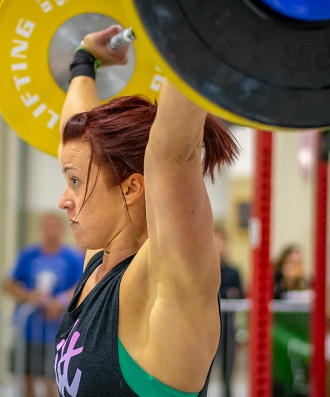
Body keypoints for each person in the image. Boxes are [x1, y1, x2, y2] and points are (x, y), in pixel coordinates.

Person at [53, 25, 239, 397]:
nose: (63, 199)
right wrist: (83, 60)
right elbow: (75, 133)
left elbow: (171, 155)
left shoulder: (170, 280)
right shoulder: (101, 259)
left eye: (74, 182)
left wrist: (191, 21)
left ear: (133, 187)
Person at [4, 212, 84, 397]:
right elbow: (9, 284)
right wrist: (29, 296)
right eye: (47, 227)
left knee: (52, 379)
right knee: (27, 377)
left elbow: (81, 285)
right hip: (29, 330)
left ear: (62, 230)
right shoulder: (28, 255)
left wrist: (60, 301)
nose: (51, 232)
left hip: (57, 331)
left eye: (54, 227)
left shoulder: (72, 258)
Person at [213, 226, 244, 397]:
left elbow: (238, 294)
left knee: (228, 372)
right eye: (215, 240)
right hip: (207, 327)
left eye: (222, 241)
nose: (219, 245)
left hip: (228, 326)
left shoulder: (233, 271)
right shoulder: (203, 269)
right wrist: (226, 293)